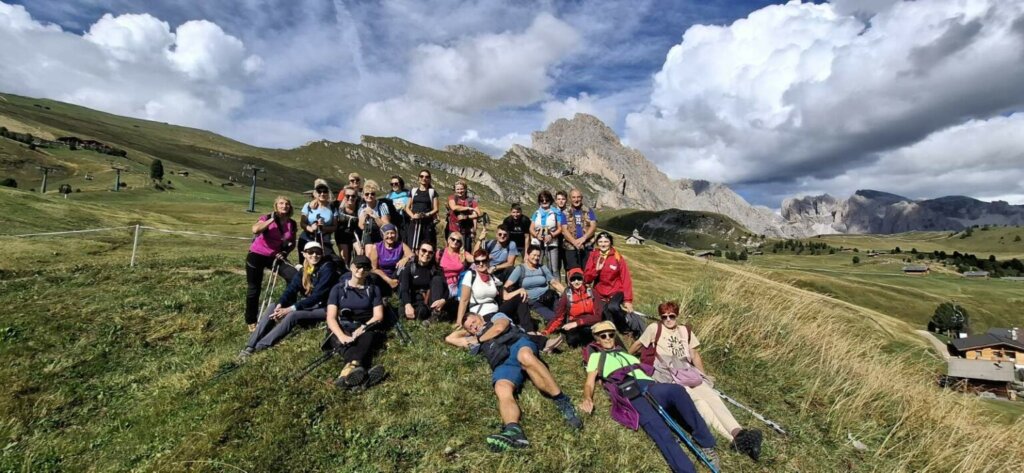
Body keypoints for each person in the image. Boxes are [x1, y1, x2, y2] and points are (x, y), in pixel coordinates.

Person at [630, 301, 763, 461]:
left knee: (711, 396)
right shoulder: (654, 328)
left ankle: (738, 432)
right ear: (660, 317)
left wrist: (703, 375)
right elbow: (637, 344)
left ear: (677, 315)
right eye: (664, 317)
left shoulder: (685, 331)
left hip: (688, 371)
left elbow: (694, 355)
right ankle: (732, 440)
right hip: (667, 374)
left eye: (671, 316)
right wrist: (626, 359)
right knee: (699, 401)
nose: (668, 320)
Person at [581, 321, 719, 473]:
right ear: (597, 339)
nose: (608, 338)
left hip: (649, 385)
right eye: (603, 335)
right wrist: (588, 398)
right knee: (658, 428)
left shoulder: (625, 353)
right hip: (629, 391)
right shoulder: (596, 357)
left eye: (611, 334)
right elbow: (589, 383)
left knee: (677, 391)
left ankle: (706, 442)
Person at [457, 312, 582, 452]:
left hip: (517, 345)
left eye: (474, 321)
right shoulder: (473, 338)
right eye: (470, 327)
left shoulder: (495, 317)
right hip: (502, 362)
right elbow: (450, 338)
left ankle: (562, 400)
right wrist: (467, 332)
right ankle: (513, 431)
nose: (474, 326)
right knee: (501, 387)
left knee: (525, 357)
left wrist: (479, 339)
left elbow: (500, 327)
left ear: (480, 317)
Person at [241, 242, 338, 355]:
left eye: (318, 252)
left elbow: (317, 296)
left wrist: (290, 309)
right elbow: (291, 289)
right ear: (304, 254)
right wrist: (281, 304)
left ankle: (259, 347)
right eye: (311, 252)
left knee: (293, 315)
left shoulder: (327, 268)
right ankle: (249, 346)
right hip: (311, 305)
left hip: (326, 308)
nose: (315, 255)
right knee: (273, 306)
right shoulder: (304, 270)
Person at [326, 255, 387, 390]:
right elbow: (331, 317)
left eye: (365, 267)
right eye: (358, 266)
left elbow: (378, 316)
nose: (361, 270)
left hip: (363, 326)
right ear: (351, 267)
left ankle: (346, 375)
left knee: (367, 337)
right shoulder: (338, 289)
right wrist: (342, 336)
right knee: (344, 342)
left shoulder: (373, 289)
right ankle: (361, 375)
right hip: (342, 325)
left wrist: (363, 328)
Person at [244, 196, 299, 331]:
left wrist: (285, 252)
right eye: (281, 203)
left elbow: (292, 242)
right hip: (257, 254)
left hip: (275, 256)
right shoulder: (267, 217)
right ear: (276, 205)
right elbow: (255, 230)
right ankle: (251, 320)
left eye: (287, 204)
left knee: (294, 276)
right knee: (254, 288)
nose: (284, 206)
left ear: (290, 207)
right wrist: (271, 220)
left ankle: (286, 310)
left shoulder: (291, 223)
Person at [584, 232, 643, 337]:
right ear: (597, 243)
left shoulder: (617, 257)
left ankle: (625, 328)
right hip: (600, 292)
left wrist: (628, 300)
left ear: (610, 243)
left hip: (616, 291)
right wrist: (596, 270)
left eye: (606, 241)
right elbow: (587, 279)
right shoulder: (593, 256)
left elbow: (626, 279)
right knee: (602, 313)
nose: (603, 244)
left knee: (613, 307)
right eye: (600, 242)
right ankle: (613, 330)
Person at [503, 245, 565, 332]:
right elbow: (507, 285)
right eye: (534, 255)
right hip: (535, 301)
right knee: (554, 318)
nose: (536, 258)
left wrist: (567, 293)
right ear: (527, 255)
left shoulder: (542, 268)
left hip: (549, 297)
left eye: (538, 256)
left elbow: (554, 282)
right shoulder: (520, 269)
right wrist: (508, 294)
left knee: (563, 315)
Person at [455, 249, 523, 327]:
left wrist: (520, 290)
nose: (480, 264)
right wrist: (459, 321)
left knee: (521, 296)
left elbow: (505, 296)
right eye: (477, 262)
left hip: (497, 311)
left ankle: (529, 329)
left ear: (488, 261)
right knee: (502, 327)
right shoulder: (470, 275)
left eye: (483, 261)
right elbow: (464, 300)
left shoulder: (493, 278)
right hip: (482, 314)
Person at [542, 268, 601, 350]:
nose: (576, 282)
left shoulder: (591, 292)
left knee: (590, 336)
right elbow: (559, 316)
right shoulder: (567, 294)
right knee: (572, 341)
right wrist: (546, 331)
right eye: (573, 279)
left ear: (583, 279)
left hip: (590, 322)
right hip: (573, 322)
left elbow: (598, 316)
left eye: (579, 278)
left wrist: (578, 323)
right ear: (569, 281)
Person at [397, 241, 447, 321]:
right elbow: (404, 289)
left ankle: (434, 313)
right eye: (424, 250)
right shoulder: (410, 268)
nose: (427, 254)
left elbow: (446, 289)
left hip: (430, 301)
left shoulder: (436, 270)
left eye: (430, 252)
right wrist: (407, 304)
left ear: (433, 255)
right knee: (402, 312)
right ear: (417, 252)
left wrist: (443, 300)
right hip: (413, 299)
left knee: (437, 279)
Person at [366, 223, 411, 298]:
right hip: (383, 277)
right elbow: (373, 268)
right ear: (382, 235)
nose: (390, 236)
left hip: (397, 276)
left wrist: (406, 258)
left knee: (407, 268)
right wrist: (389, 281)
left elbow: (412, 256)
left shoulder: (401, 245)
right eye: (387, 233)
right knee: (372, 276)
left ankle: (403, 296)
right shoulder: (376, 247)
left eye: (392, 233)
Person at [299, 179, 337, 264]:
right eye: (319, 191)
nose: (322, 194)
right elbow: (302, 223)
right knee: (305, 263)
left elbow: (335, 226)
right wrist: (310, 228)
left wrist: (324, 228)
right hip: (307, 237)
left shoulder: (332, 207)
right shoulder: (308, 205)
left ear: (328, 193)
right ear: (315, 193)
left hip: (324, 238)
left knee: (328, 260)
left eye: (325, 191)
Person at [529, 190, 566, 276]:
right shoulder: (536, 213)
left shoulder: (556, 213)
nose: (544, 202)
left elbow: (560, 228)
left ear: (550, 200)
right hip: (538, 243)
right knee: (536, 265)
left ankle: (557, 288)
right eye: (542, 200)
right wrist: (536, 235)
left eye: (547, 199)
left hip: (552, 243)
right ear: (539, 201)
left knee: (554, 268)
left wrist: (551, 235)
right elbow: (531, 228)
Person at [562, 188, 598, 271]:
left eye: (578, 197)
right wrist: (575, 242)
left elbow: (593, 226)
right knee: (573, 272)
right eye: (573, 197)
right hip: (570, 247)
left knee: (587, 271)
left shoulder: (589, 211)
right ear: (570, 199)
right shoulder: (565, 212)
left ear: (581, 198)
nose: (576, 199)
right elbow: (564, 230)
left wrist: (583, 238)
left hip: (587, 246)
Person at [405, 169, 439, 250]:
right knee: (412, 245)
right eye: (422, 176)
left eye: (427, 177)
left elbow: (436, 209)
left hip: (427, 224)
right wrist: (413, 216)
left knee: (426, 244)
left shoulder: (432, 192)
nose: (424, 178)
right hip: (414, 223)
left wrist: (426, 215)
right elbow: (407, 208)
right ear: (418, 178)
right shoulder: (413, 191)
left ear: (429, 179)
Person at [446, 180, 480, 248]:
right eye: (457, 189)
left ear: (465, 189)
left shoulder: (471, 201)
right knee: (452, 250)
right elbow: (454, 207)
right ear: (455, 190)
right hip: (453, 230)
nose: (460, 191)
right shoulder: (452, 198)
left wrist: (466, 217)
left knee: (465, 251)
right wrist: (467, 208)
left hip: (466, 232)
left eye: (461, 189)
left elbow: (478, 214)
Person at [334, 185, 363, 266]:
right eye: (348, 196)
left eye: (353, 196)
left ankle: (358, 270)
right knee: (345, 258)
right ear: (344, 197)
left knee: (360, 252)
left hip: (355, 234)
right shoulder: (338, 206)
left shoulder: (360, 207)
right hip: (342, 234)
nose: (350, 198)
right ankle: (345, 274)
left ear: (356, 197)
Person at [358, 180, 391, 245]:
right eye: (367, 194)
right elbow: (361, 226)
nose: (370, 196)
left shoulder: (382, 206)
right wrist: (364, 216)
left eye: (372, 194)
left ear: (375, 195)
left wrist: (374, 216)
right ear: (363, 196)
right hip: (368, 237)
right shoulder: (362, 208)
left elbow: (386, 226)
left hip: (381, 236)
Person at [386, 175, 410, 239]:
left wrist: (404, 208)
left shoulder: (408, 195)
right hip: (393, 221)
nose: (394, 185)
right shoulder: (388, 196)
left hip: (405, 221)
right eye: (392, 184)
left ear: (401, 184)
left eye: (396, 183)